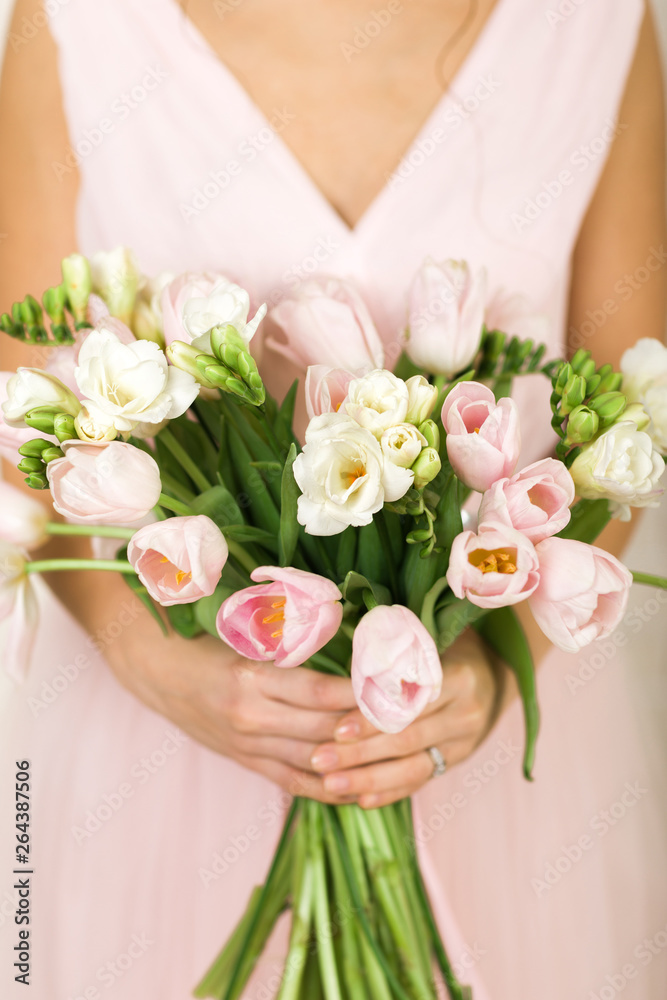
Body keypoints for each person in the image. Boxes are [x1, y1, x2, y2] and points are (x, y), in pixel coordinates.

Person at [0, 0, 665, 997]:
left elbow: (630, 417)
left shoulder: (599, 23)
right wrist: (155, 659)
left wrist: (496, 666)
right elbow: (28, 420)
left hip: (494, 755)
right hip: (162, 745)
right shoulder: (78, 19)